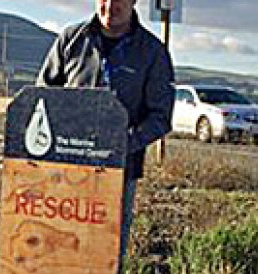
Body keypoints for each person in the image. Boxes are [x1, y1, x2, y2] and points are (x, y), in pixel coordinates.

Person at [36, 0, 175, 259]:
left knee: (105, 256)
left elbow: (160, 117)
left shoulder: (152, 52)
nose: (111, 5)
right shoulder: (71, 39)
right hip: (66, 170)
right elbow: (42, 97)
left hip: (118, 174)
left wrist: (121, 146)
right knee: (58, 250)